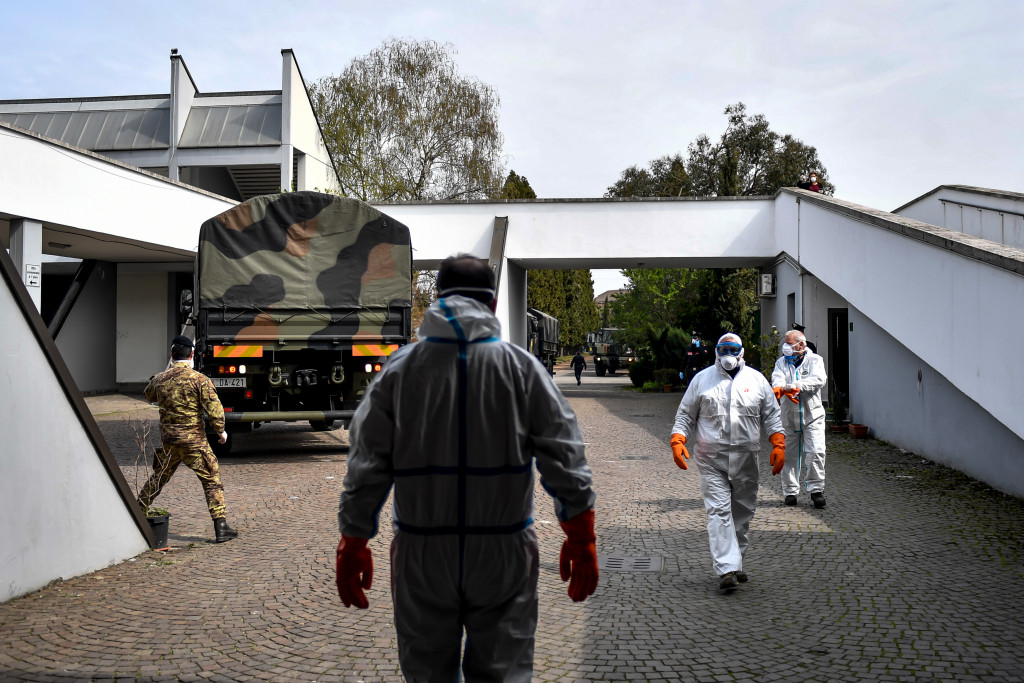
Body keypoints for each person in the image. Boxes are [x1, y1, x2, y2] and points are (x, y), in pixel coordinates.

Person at [336, 254, 598, 682]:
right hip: (504, 552)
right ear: (492, 304)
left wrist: (353, 542)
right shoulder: (523, 369)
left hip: (422, 552)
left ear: (438, 298)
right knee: (504, 672)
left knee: (427, 674)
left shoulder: (398, 372)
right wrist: (581, 537)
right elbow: (567, 458)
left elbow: (365, 465)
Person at [669, 332, 785, 592]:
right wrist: (678, 440)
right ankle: (727, 569)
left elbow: (772, 415)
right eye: (724, 349)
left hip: (746, 459)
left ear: (742, 352)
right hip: (712, 460)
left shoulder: (757, 381)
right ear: (716, 352)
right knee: (719, 512)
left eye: (733, 349)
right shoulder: (702, 380)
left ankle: (736, 561)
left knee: (742, 514)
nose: (728, 355)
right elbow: (686, 415)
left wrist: (778, 443)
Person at [138, 335, 238, 543]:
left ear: (172, 355)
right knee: (211, 481)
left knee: (158, 479)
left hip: (169, 442)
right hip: (194, 442)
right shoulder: (200, 380)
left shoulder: (159, 379)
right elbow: (215, 409)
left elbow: (148, 395)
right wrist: (221, 432)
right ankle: (221, 527)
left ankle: (136, 513)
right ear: (192, 354)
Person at [771, 329, 828, 509]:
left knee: (816, 452)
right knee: (789, 456)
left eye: (789, 344)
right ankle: (790, 492)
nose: (785, 347)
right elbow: (777, 381)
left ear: (801, 345)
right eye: (785, 344)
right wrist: (781, 388)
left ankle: (816, 490)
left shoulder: (815, 361)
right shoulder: (781, 363)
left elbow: (818, 380)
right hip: (788, 417)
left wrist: (794, 387)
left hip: (813, 416)